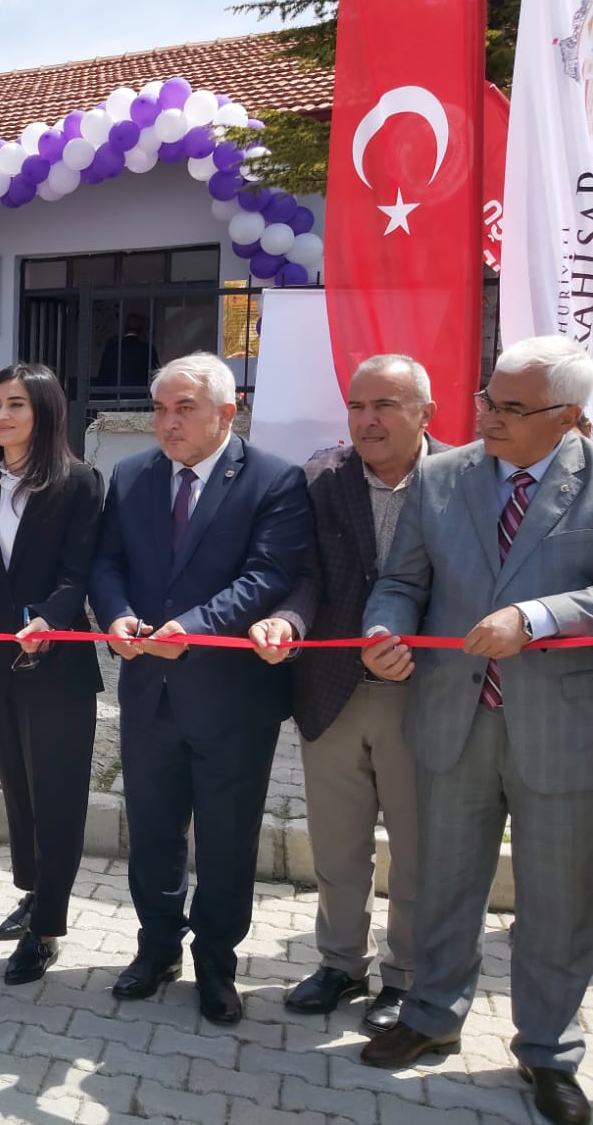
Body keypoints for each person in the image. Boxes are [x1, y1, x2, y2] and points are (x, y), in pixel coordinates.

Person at [358, 337, 593, 1125]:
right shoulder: (441, 476)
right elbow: (401, 581)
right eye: (488, 399)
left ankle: (549, 1052)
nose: (488, 416)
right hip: (451, 716)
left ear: (568, 417)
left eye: (511, 408)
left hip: (560, 727)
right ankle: (431, 1015)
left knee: (558, 898)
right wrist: (384, 632)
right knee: (444, 881)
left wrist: (537, 616)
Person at [89, 352, 311, 1025]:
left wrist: (192, 627)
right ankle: (157, 948)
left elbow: (268, 575)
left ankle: (217, 962)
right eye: (160, 408)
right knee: (153, 832)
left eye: (184, 408)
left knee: (226, 841)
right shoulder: (132, 476)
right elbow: (107, 562)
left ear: (227, 412)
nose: (168, 422)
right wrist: (115, 615)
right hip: (149, 692)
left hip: (231, 701)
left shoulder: (273, 479)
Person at [248, 355, 441, 1033]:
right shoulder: (321, 478)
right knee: (336, 846)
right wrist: (287, 621)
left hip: (421, 696)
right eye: (357, 406)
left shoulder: (460, 480)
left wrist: (417, 648)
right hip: (332, 691)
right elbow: (305, 575)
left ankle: (406, 976)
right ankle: (339, 963)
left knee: (417, 851)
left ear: (425, 413)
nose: (367, 420)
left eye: (385, 405)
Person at [0, 363, 104, 985]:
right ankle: (33, 891)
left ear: (45, 411)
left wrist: (50, 619)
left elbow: (79, 572)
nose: (2, 416)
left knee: (57, 796)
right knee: (18, 787)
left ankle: (48, 928)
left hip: (57, 666)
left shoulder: (78, 482)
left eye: (16, 404)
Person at [97, 313, 160, 400]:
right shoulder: (148, 349)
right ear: (141, 330)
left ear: (124, 328)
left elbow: (103, 376)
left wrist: (101, 400)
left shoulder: (112, 348)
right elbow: (155, 377)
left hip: (115, 400)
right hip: (140, 401)